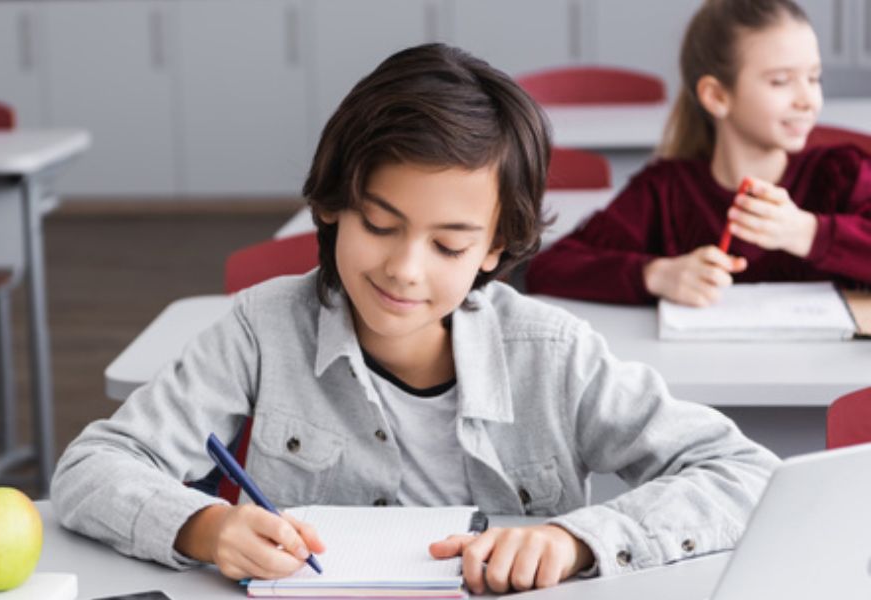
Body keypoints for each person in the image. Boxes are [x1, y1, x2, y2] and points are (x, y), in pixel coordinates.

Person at [51, 43, 778, 595]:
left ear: (493, 248)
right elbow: (92, 469)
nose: (405, 268)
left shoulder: (551, 355)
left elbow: (745, 474)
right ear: (333, 206)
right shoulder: (261, 331)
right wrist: (206, 527)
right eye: (380, 223)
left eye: (448, 244)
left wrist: (577, 541)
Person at [526, 0, 871, 306]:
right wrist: (656, 275)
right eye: (781, 81)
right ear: (717, 97)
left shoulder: (843, 175)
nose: (808, 99)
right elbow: (548, 269)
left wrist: (809, 233)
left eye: (814, 78)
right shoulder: (665, 191)